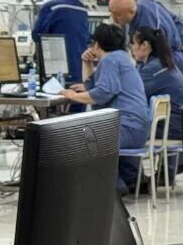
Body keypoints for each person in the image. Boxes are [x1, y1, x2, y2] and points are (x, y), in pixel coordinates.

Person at [63, 23, 150, 191]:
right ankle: (131, 180)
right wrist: (86, 63)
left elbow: (103, 93)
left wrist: (73, 96)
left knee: (83, 139)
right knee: (99, 133)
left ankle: (114, 188)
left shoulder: (110, 60)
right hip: (136, 129)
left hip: (126, 129)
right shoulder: (122, 57)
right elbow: (92, 87)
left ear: (96, 44)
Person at [109, 0, 183, 78]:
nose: (113, 19)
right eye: (111, 13)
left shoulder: (149, 27)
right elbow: (176, 20)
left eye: (117, 15)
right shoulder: (146, 3)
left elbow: (159, 60)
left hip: (171, 65)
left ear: (131, 11)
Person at [130, 26, 183, 141]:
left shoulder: (153, 69)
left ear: (144, 45)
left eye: (133, 44)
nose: (132, 48)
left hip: (171, 127)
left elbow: (132, 94)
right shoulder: (162, 63)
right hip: (180, 124)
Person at [31, 0, 90, 85]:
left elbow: (37, 35)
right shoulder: (83, 9)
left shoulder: (51, 6)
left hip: (57, 69)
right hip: (80, 68)